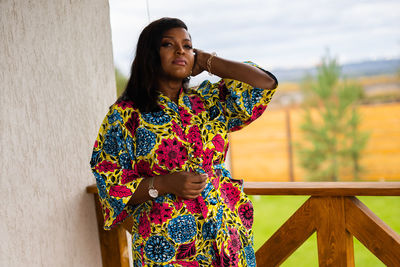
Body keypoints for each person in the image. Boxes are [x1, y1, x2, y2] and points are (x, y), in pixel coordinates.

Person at [90, 17, 277, 266]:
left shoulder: (208, 102)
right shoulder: (125, 115)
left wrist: (208, 61)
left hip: (225, 235)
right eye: (168, 44)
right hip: (168, 246)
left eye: (187, 46)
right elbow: (110, 182)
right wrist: (164, 183)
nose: (180, 50)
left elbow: (264, 84)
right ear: (150, 54)